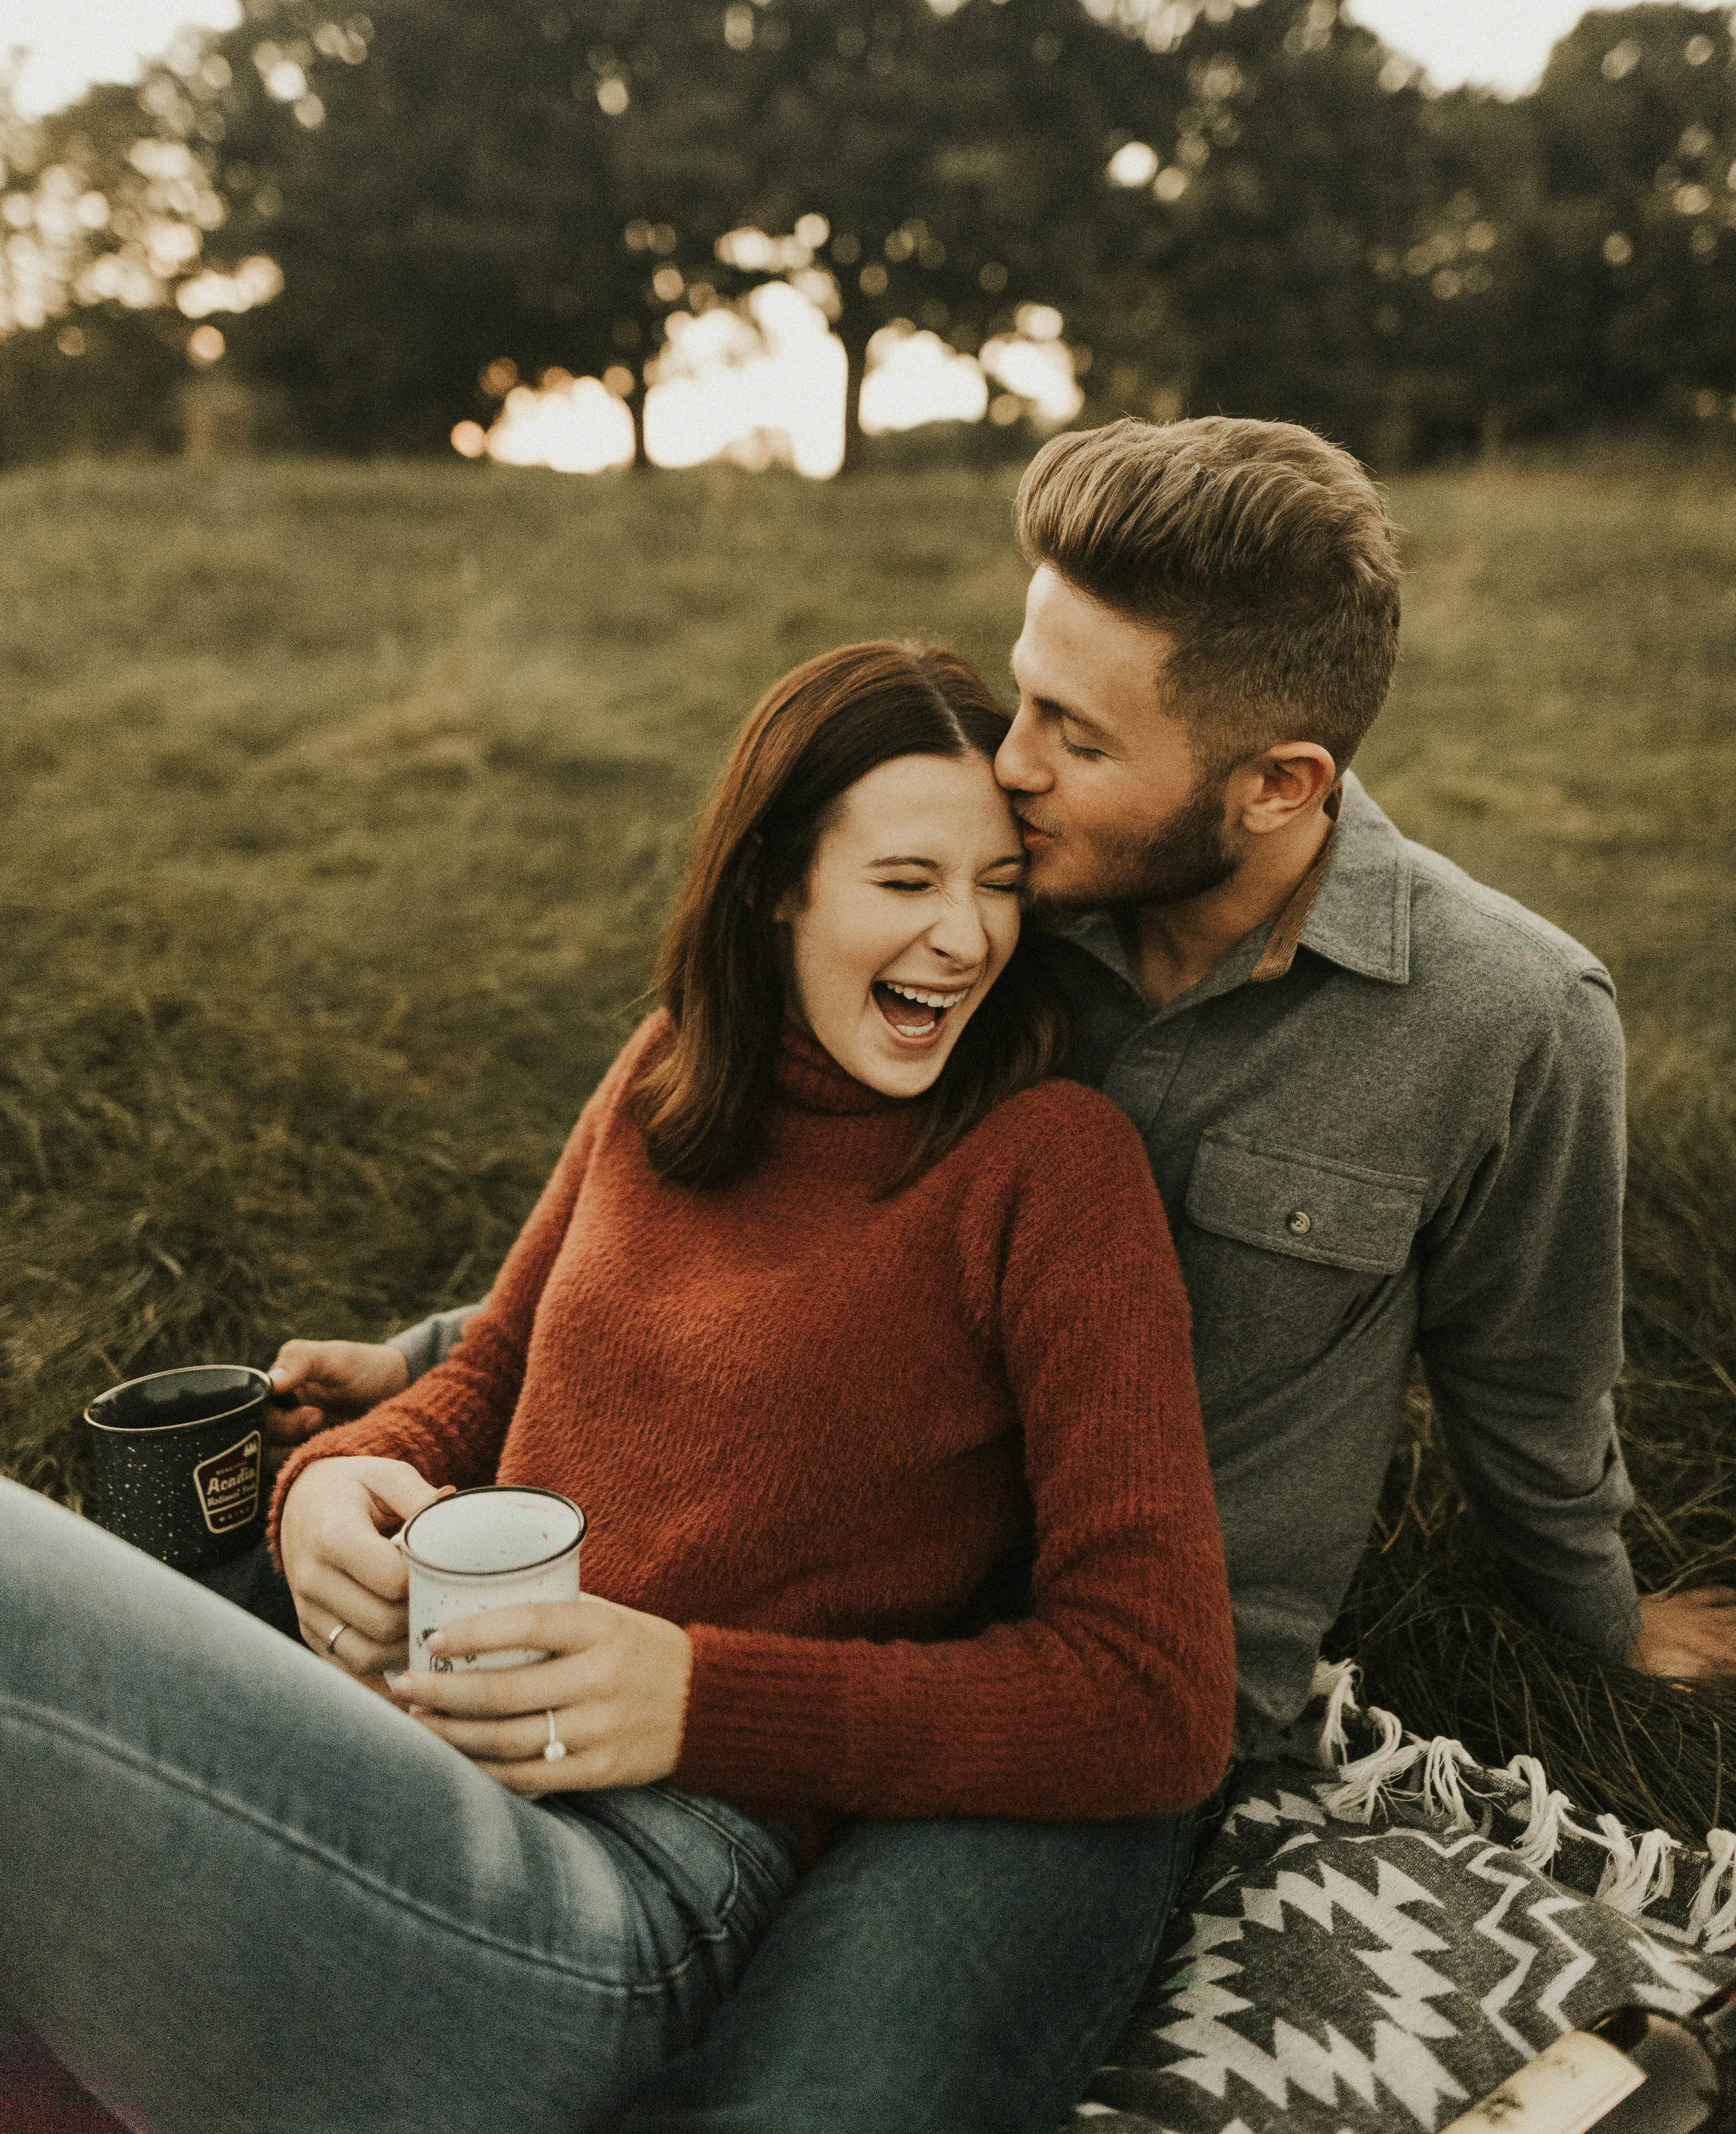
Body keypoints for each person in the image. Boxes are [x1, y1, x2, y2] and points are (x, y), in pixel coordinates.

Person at [268, 414, 1736, 2134]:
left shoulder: (1506, 1023)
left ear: (1278, 784)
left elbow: (1526, 1377)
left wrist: (1597, 1618)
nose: (1010, 763)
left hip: (1109, 1689)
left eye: (1071, 732)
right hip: (814, 1583)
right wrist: (442, 1364)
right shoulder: (994, 909)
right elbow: (780, 1208)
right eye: (1027, 690)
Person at [0, 642, 1235, 2134]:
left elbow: (1158, 1694)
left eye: (997, 886)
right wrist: (333, 1484)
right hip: (407, 1748)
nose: (964, 939)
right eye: (906, 884)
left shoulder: (1050, 1172)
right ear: (777, 880)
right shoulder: (668, 1070)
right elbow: (494, 1371)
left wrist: (702, 1701)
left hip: (633, 1899)